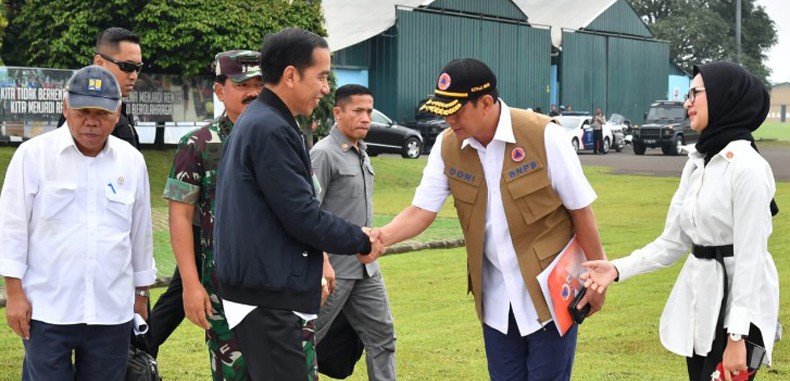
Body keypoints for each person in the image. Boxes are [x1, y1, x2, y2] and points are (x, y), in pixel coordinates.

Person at [373, 58, 607, 380]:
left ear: (486, 103)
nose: (449, 120)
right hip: (496, 299)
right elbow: (421, 210)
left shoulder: (543, 136)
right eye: (444, 111)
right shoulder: (447, 146)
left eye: (456, 111)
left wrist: (598, 278)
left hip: (551, 296)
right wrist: (379, 238)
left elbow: (582, 211)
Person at [581, 61, 779, 381]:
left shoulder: (748, 168)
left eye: (695, 93)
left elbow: (750, 260)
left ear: (724, 97)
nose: (686, 102)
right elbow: (672, 242)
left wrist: (737, 337)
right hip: (699, 305)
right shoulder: (698, 161)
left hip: (739, 314)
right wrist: (617, 268)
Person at [213, 27, 383, 381]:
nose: (325, 88)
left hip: (263, 288)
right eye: (321, 76)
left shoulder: (263, 121)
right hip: (267, 295)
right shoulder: (270, 128)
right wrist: (361, 239)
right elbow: (302, 216)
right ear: (290, 75)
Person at [0, 65, 155, 380]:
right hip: (47, 309)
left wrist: (141, 295)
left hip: (110, 311)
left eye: (102, 113)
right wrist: (14, 294)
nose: (92, 122)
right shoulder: (33, 156)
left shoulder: (131, 161)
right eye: (83, 111)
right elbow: (11, 228)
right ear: (65, 106)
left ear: (118, 112)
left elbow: (140, 233)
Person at [149, 50, 263, 379]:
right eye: (243, 84)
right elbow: (180, 218)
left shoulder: (287, 138)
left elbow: (308, 206)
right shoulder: (198, 145)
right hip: (224, 291)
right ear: (220, 90)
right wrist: (190, 284)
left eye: (259, 83)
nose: (253, 92)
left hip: (281, 287)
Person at [311, 84, 397, 381]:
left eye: (369, 111)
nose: (366, 118)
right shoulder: (322, 154)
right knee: (305, 339)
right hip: (333, 270)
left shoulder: (361, 152)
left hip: (366, 269)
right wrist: (322, 265)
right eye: (358, 111)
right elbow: (309, 216)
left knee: (382, 337)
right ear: (337, 112)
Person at [57, 27, 144, 148]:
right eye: (127, 66)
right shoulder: (74, 112)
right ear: (99, 63)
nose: (134, 76)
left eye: (138, 68)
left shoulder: (121, 111)